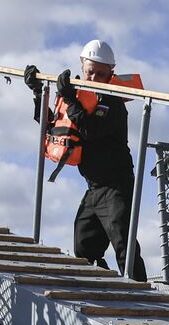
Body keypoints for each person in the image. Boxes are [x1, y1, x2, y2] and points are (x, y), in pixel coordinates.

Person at [24, 40, 147, 281]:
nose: (93, 78)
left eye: (100, 74)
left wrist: (70, 101)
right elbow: (51, 126)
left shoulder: (113, 102)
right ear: (82, 66)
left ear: (111, 73)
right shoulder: (78, 97)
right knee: (84, 245)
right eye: (89, 71)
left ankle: (145, 296)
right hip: (93, 187)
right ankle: (101, 287)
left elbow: (90, 130)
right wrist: (38, 92)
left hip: (116, 185)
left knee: (123, 244)